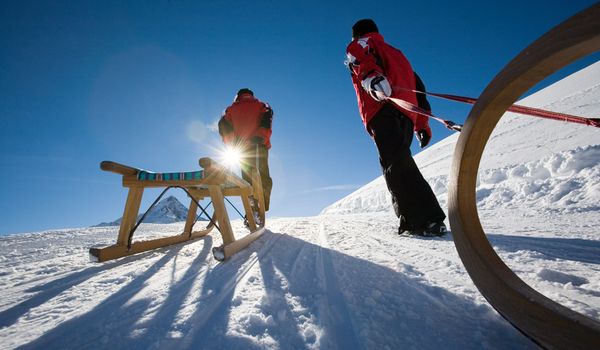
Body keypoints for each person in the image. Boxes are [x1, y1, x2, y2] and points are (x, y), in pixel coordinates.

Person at [345, 19, 446, 236]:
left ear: (356, 34)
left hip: (383, 108)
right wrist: (422, 124)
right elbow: (418, 88)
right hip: (407, 114)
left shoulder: (362, 44)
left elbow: (357, 55)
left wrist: (371, 79)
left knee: (396, 164)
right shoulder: (398, 54)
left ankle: (425, 219)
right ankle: (410, 219)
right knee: (398, 161)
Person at [218, 88, 273, 214]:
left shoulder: (230, 109)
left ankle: (252, 209)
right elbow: (267, 119)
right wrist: (260, 137)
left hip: (242, 149)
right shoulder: (262, 105)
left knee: (247, 180)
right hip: (259, 146)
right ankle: (262, 207)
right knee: (263, 177)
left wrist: (232, 142)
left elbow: (223, 125)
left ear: (237, 96)